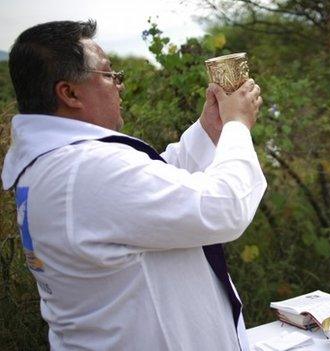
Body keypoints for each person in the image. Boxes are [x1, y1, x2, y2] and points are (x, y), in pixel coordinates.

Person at [1, 20, 266, 350]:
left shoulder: (60, 165)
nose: (119, 86)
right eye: (109, 74)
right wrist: (237, 126)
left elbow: (154, 189)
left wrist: (209, 130)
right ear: (69, 92)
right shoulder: (84, 170)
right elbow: (222, 207)